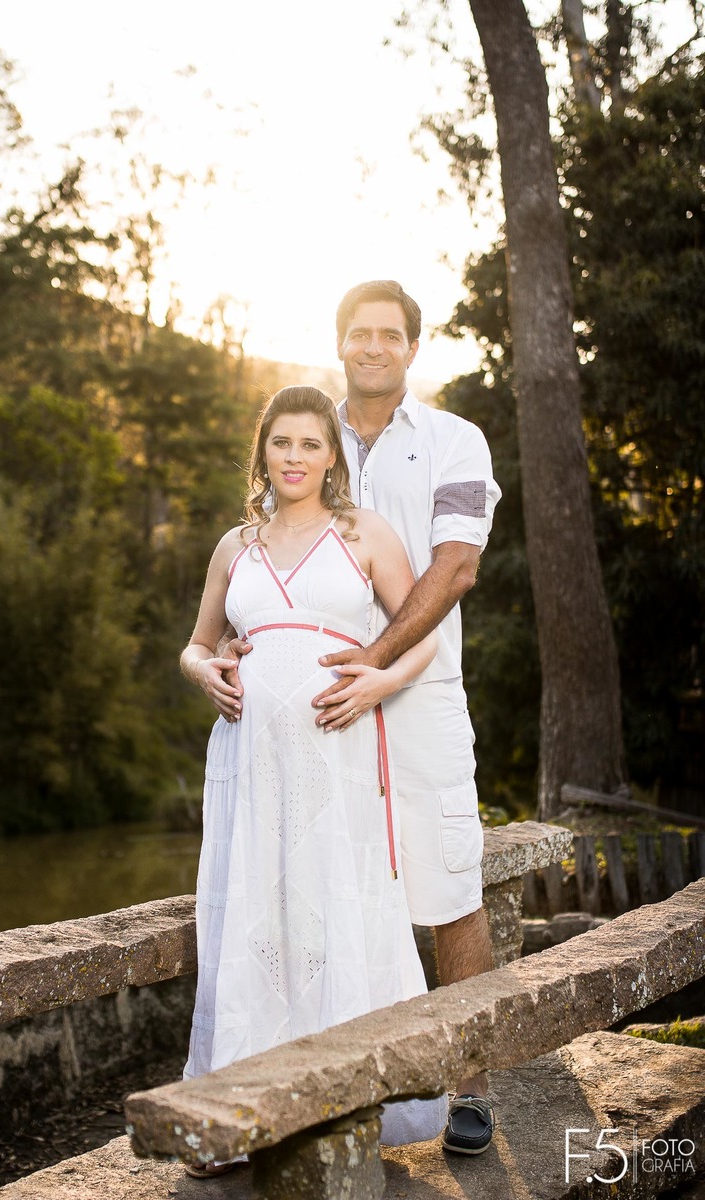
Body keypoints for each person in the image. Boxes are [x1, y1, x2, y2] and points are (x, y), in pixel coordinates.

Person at [179, 385, 447, 1178]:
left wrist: (373, 684)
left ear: (332, 455)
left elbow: (419, 639)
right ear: (262, 451)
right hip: (247, 761)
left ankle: (348, 1103)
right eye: (280, 443)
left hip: (337, 757)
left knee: (335, 908)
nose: (294, 458)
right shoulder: (237, 545)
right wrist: (206, 674)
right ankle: (238, 1111)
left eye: (310, 444)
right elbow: (195, 646)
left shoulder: (364, 534)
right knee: (255, 920)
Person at [313, 280, 502, 1156]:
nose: (375, 346)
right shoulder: (311, 439)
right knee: (337, 893)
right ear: (341, 343)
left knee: (449, 889)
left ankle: (470, 1085)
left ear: (413, 350)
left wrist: (381, 657)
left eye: (391, 334)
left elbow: (455, 567)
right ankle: (357, 1091)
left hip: (422, 702)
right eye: (361, 333)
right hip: (324, 706)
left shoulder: (455, 440)